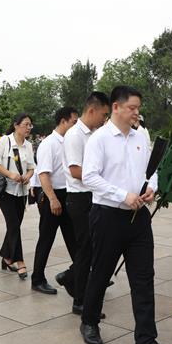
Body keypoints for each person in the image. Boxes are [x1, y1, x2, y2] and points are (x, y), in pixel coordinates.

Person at [80, 86, 172, 344]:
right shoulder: (99, 139)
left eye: (138, 107)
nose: (137, 112)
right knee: (101, 272)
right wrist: (123, 195)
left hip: (139, 219)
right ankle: (89, 322)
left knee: (144, 278)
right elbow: (89, 177)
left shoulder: (141, 136)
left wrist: (152, 189)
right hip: (107, 216)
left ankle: (145, 341)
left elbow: (153, 169)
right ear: (116, 107)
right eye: (133, 107)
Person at [64, 91, 111, 314]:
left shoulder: (95, 134)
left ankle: (70, 278)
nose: (104, 119)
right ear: (91, 110)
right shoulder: (75, 135)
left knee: (91, 249)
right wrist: (104, 180)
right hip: (79, 199)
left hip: (92, 196)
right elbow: (75, 171)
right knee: (85, 250)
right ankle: (80, 301)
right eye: (103, 114)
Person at [31, 107, 79, 294]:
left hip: (69, 195)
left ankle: (81, 275)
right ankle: (37, 279)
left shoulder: (70, 142)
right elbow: (43, 174)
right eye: (74, 122)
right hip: (52, 195)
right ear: (63, 121)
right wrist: (52, 199)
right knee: (46, 238)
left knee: (74, 239)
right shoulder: (49, 144)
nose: (76, 126)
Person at [0, 113, 36, 280]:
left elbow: (32, 167)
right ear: (16, 125)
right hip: (5, 191)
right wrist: (11, 175)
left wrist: (28, 176)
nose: (29, 127)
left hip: (21, 191)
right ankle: (19, 260)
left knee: (14, 225)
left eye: (30, 125)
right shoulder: (5, 141)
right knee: (14, 225)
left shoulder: (29, 145)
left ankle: (7, 257)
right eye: (26, 124)